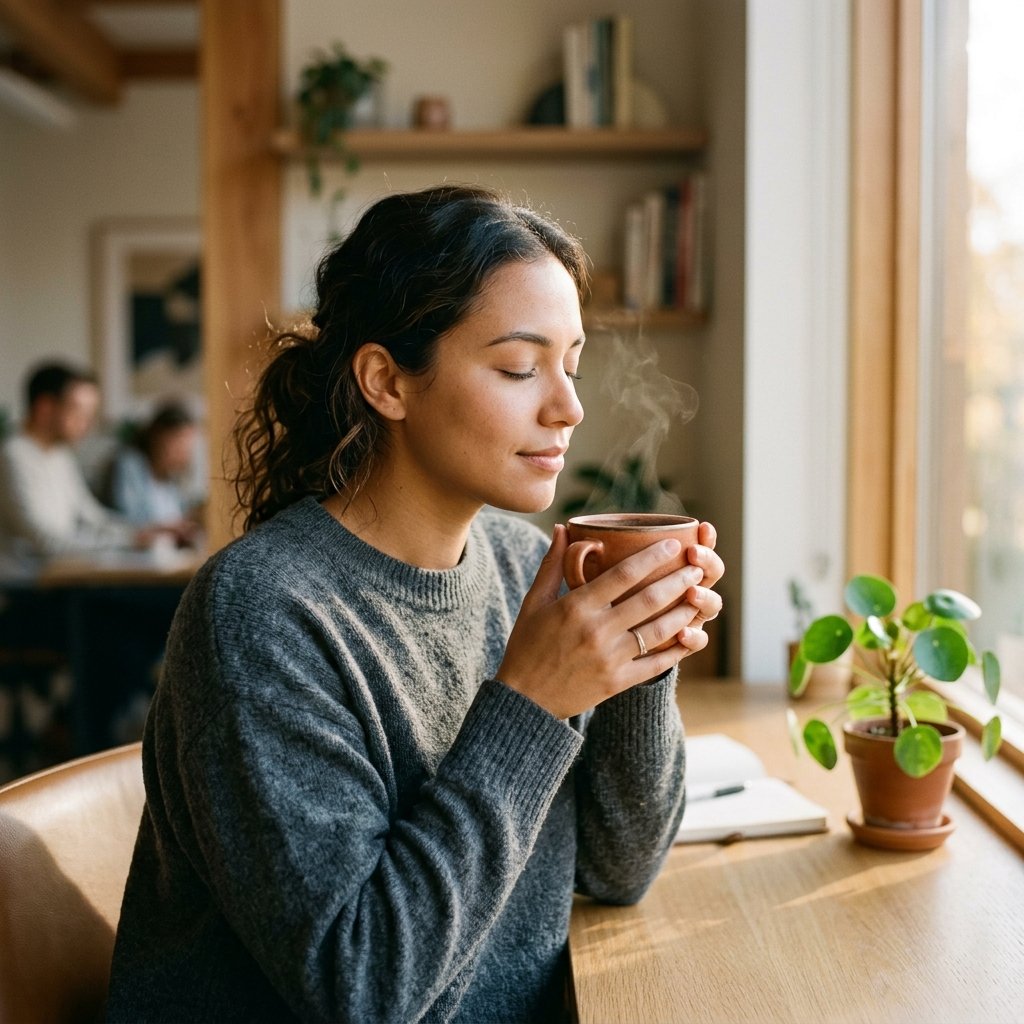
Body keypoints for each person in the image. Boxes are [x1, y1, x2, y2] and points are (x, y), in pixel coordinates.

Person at [106, 184, 724, 1024]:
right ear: (387, 382)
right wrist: (532, 702)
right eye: (520, 368)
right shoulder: (260, 615)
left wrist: (639, 656)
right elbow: (361, 989)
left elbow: (619, 871)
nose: (569, 408)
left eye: (572, 365)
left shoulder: (525, 567)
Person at [0, 362, 177, 556]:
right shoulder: (12, 456)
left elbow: (93, 518)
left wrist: (145, 531)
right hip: (29, 573)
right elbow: (45, 541)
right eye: (79, 411)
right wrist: (128, 541)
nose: (87, 423)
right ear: (45, 408)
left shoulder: (60, 455)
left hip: (61, 569)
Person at [104, 399, 203, 541]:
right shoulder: (129, 466)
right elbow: (128, 523)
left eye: (187, 446)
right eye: (178, 442)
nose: (184, 452)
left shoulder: (172, 479)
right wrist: (163, 529)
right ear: (157, 437)